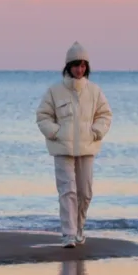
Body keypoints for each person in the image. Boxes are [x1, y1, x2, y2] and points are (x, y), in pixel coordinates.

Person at [34, 42, 112, 247]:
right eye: (76, 65)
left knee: (85, 192)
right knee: (67, 190)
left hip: (87, 148)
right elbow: (43, 116)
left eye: (83, 65)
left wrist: (96, 131)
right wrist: (56, 132)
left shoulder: (94, 91)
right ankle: (68, 233)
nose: (80, 69)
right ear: (68, 66)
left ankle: (79, 229)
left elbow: (105, 115)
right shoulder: (54, 91)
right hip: (62, 148)